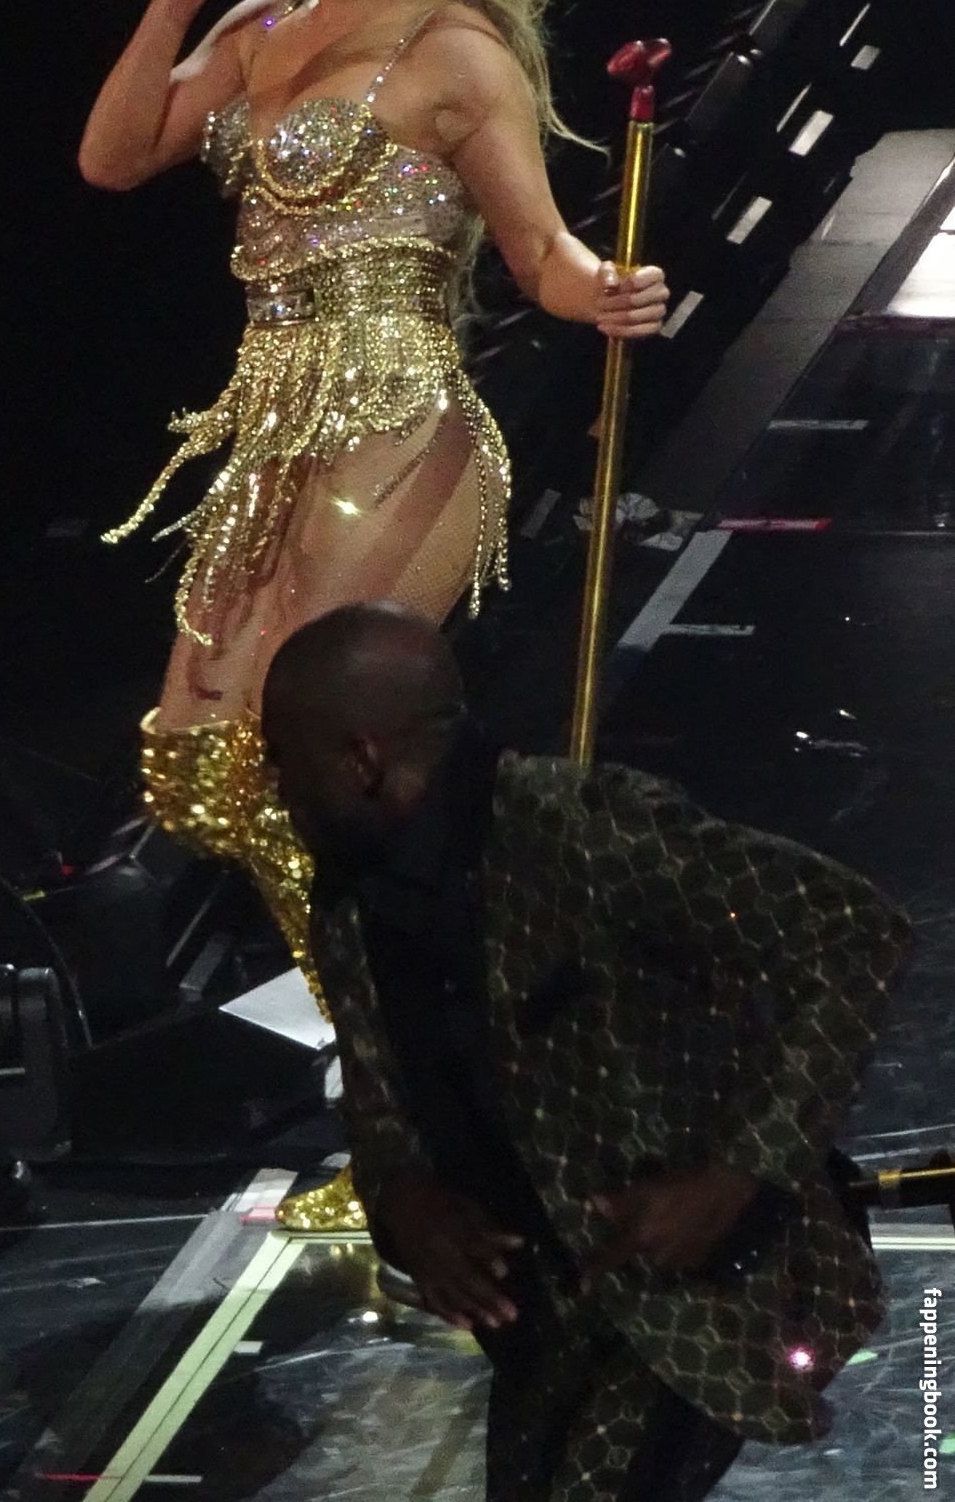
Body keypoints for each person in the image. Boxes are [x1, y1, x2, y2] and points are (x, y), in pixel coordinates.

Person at [78, 0, 669, 1228]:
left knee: (324, 767)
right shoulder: (263, 21)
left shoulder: (455, 53)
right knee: (197, 765)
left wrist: (604, 287)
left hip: (397, 424)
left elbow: (536, 250)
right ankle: (438, 1046)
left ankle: (408, 1116)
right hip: (271, 424)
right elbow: (116, 156)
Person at [259, 602, 913, 1501]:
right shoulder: (349, 902)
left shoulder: (587, 831)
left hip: (696, 1298)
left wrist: (738, 1174)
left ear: (362, 758)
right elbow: (379, 1104)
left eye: (282, 756)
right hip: (545, 1323)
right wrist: (403, 1200)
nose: (272, 785)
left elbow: (857, 931)